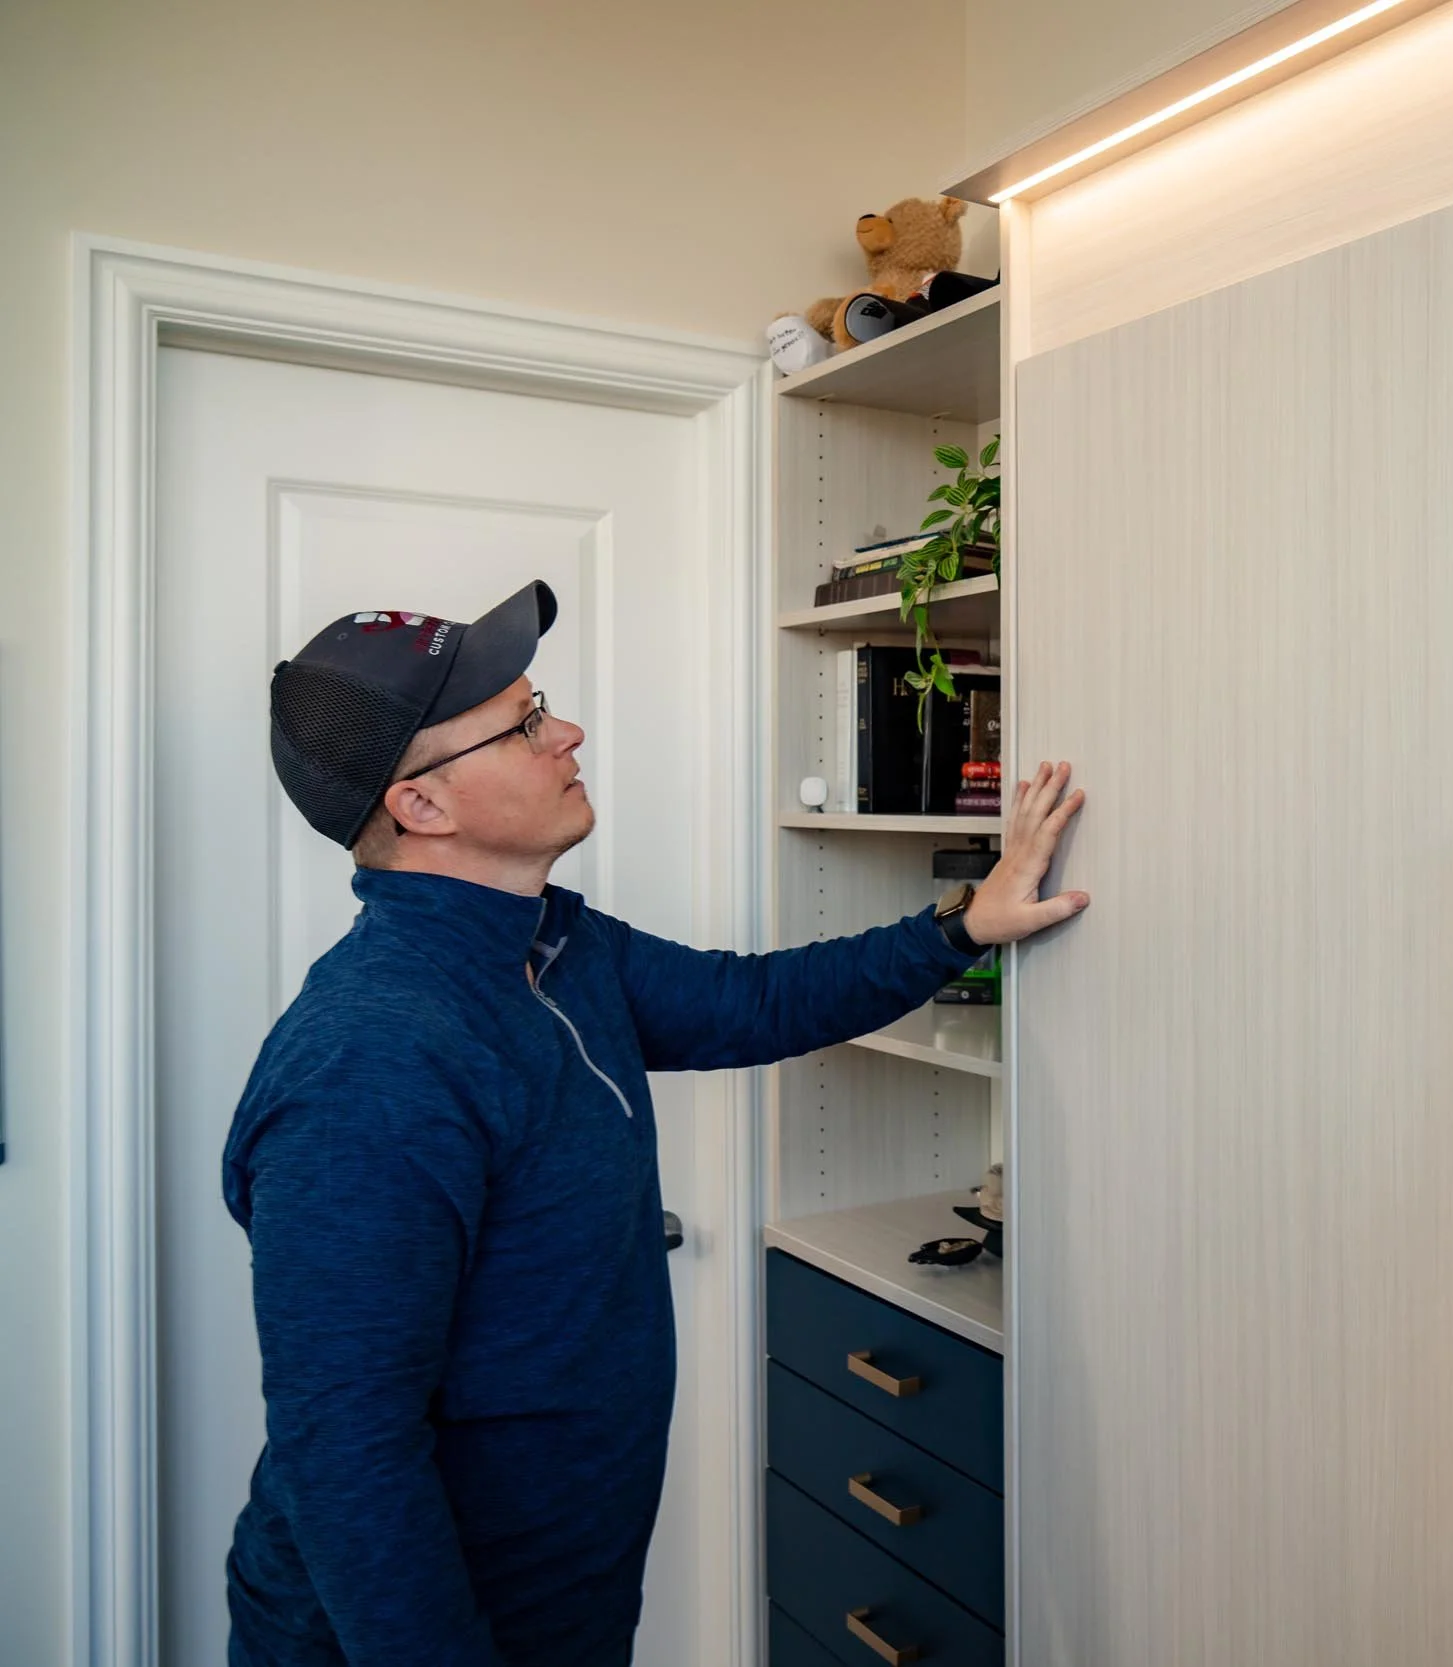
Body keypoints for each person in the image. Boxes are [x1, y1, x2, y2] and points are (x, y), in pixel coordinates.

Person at [223, 580, 1088, 1666]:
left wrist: (968, 917)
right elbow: (345, 1453)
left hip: (561, 1594)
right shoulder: (372, 1057)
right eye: (525, 723)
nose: (567, 731)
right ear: (422, 805)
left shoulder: (553, 947)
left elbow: (759, 1000)